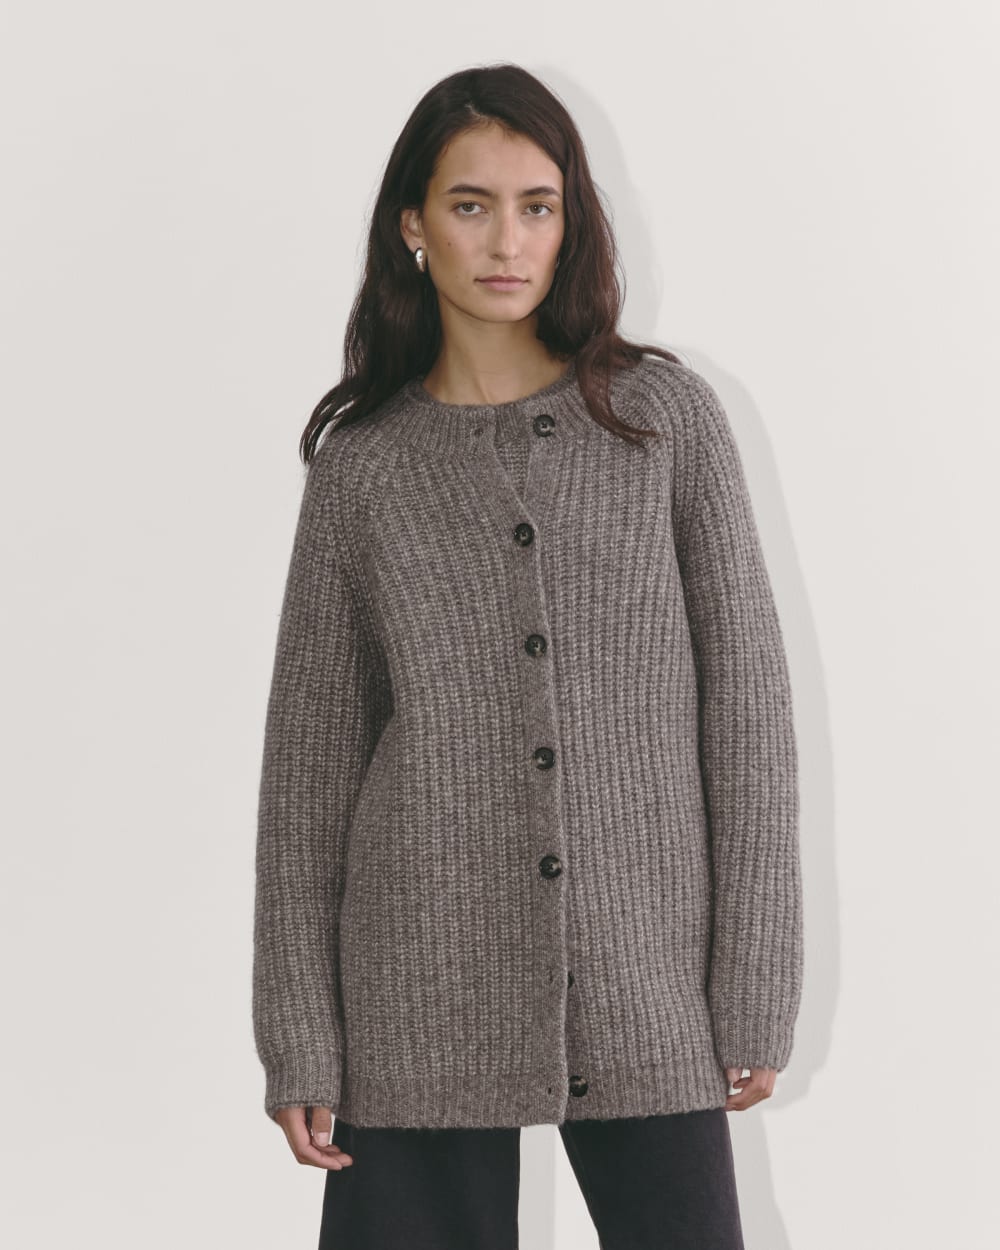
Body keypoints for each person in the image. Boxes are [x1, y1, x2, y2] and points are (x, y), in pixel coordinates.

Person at [252, 62, 803, 1250]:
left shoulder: (661, 420)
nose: (507, 241)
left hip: (642, 966)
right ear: (412, 224)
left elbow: (748, 713)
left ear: (571, 222)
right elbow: (309, 772)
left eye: (537, 205)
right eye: (471, 205)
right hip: (415, 976)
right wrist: (297, 1030)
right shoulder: (364, 464)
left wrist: (752, 977)